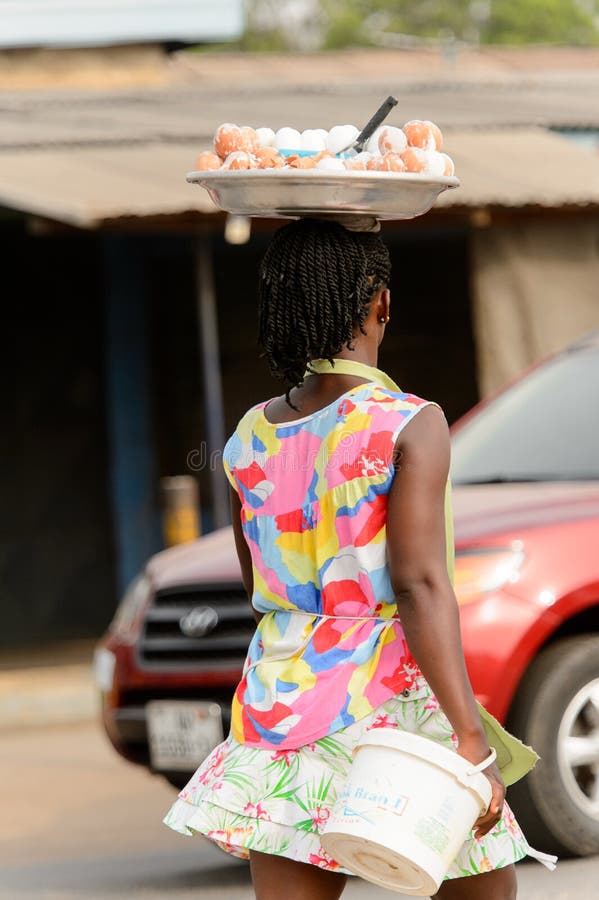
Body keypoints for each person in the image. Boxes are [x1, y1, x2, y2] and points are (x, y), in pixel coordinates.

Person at [164, 218, 546, 899]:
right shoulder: (405, 421)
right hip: (392, 698)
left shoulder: (248, 435)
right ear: (381, 305)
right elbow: (419, 583)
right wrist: (469, 739)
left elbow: (260, 583)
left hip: (279, 701)